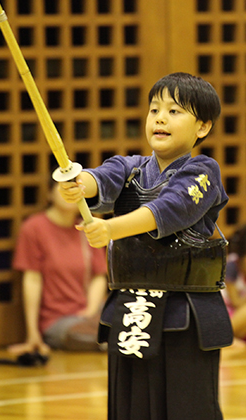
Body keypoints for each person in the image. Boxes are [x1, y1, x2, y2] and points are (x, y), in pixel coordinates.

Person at [58, 72, 232, 420]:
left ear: (203, 127)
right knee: (130, 406)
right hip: (131, 305)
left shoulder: (203, 172)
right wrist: (80, 183)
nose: (161, 118)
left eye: (175, 111)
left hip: (185, 311)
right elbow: (102, 177)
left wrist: (110, 229)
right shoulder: (131, 167)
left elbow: (166, 210)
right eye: (154, 110)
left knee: (186, 407)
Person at [7, 181, 108, 355]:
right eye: (63, 189)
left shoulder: (88, 227)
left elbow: (99, 276)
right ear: (49, 194)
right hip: (59, 320)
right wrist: (33, 333)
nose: (69, 195)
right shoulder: (34, 228)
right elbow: (32, 280)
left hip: (92, 312)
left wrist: (91, 310)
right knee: (95, 335)